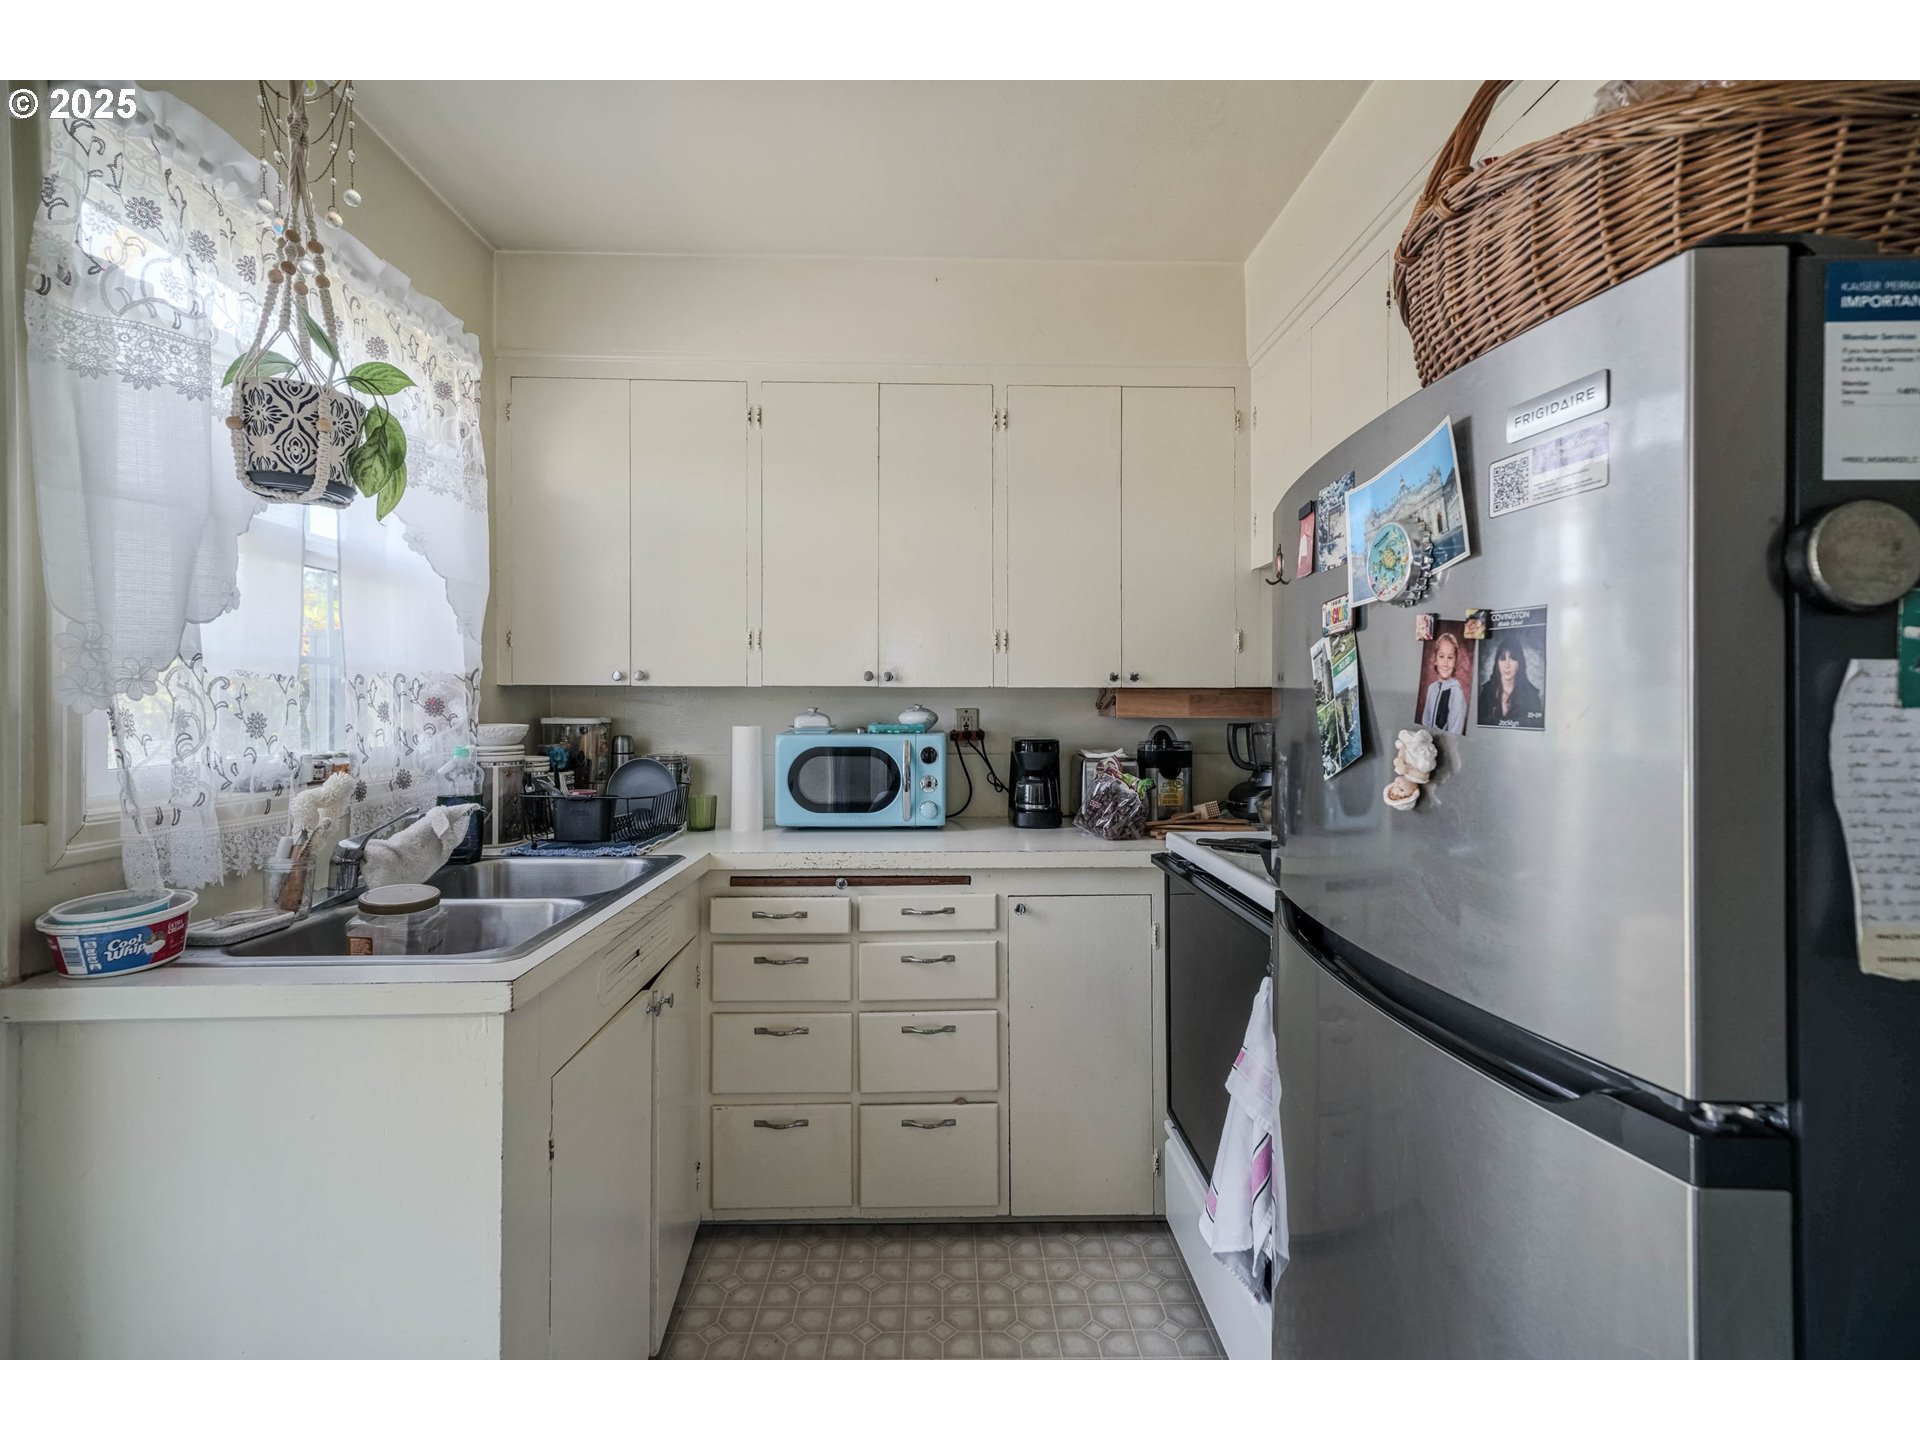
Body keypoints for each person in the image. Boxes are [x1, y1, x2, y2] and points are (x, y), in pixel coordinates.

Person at [1478, 635, 1544, 728]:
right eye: (1503, 658)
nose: (1507, 665)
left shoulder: (1531, 696)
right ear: (1497, 663)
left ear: (1519, 663)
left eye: (1512, 658)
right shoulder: (1486, 692)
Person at [1418, 631, 1468, 734]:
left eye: (1450, 658)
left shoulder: (1456, 692)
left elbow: (1455, 732)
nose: (1445, 663)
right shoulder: (1431, 688)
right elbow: (1425, 722)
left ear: (1455, 661)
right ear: (1435, 659)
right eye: (1441, 657)